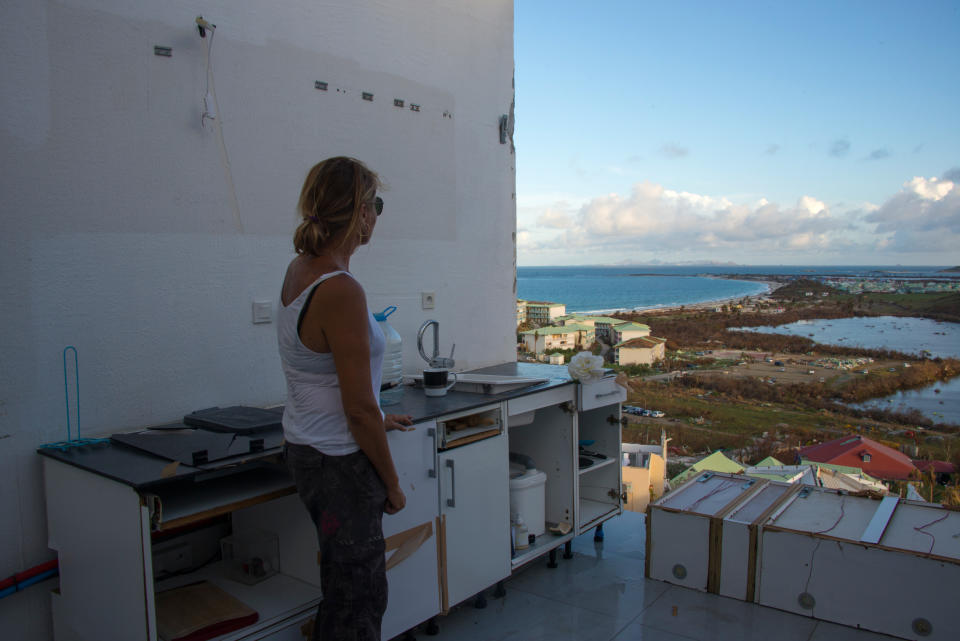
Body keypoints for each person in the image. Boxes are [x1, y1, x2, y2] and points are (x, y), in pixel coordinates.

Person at [277, 156, 412, 641]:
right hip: (340, 464)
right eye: (374, 203)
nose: (377, 214)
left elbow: (326, 380)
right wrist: (392, 485)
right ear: (358, 213)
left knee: (341, 587)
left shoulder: (302, 269)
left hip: (308, 448)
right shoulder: (341, 289)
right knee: (359, 596)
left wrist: (380, 414)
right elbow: (355, 408)